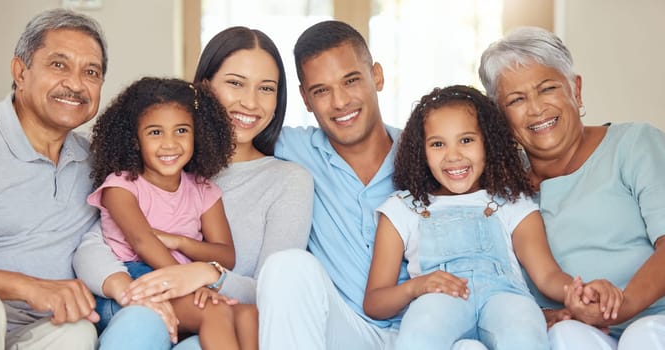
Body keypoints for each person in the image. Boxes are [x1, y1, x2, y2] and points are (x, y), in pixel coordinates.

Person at [254, 20, 487, 350]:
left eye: (351, 81)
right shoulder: (292, 149)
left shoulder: (434, 153)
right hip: (342, 328)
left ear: (376, 75)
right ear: (305, 99)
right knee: (287, 267)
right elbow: (223, 130)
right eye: (321, 91)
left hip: (428, 330)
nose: (339, 102)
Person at [0, 8, 176, 350]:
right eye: (58, 65)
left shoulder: (97, 159)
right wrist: (27, 286)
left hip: (44, 326)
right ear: (20, 71)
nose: (75, 84)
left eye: (90, 72)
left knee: (78, 331)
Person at [363, 85, 623, 349]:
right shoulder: (403, 209)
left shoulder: (511, 203)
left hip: (505, 297)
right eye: (438, 144)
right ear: (422, 152)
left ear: (488, 143)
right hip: (439, 298)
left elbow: (547, 275)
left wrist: (581, 292)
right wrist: (416, 287)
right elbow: (375, 302)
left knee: (523, 328)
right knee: (421, 330)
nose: (453, 156)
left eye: (466, 140)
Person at [115, 27, 313, 349]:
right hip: (146, 308)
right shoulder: (165, 159)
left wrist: (209, 274)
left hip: (229, 327)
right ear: (203, 86)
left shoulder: (288, 181)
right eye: (235, 83)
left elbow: (274, 292)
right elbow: (100, 237)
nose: (250, 102)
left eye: (266, 88)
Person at [479, 26, 665, 349]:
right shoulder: (501, 190)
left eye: (547, 88)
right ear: (499, 117)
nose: (536, 108)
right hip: (578, 330)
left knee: (641, 337)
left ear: (575, 90)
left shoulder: (635, 144)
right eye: (516, 99)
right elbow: (492, 286)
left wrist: (619, 306)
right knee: (564, 336)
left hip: (654, 321)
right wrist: (548, 315)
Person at [87, 76, 258, 349]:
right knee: (215, 310)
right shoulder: (120, 187)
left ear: (197, 133)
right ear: (134, 140)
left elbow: (226, 255)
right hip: (134, 284)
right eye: (155, 132)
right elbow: (143, 242)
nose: (170, 144)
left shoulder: (203, 190)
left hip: (180, 281)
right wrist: (185, 282)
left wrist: (180, 242)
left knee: (249, 315)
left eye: (181, 131)